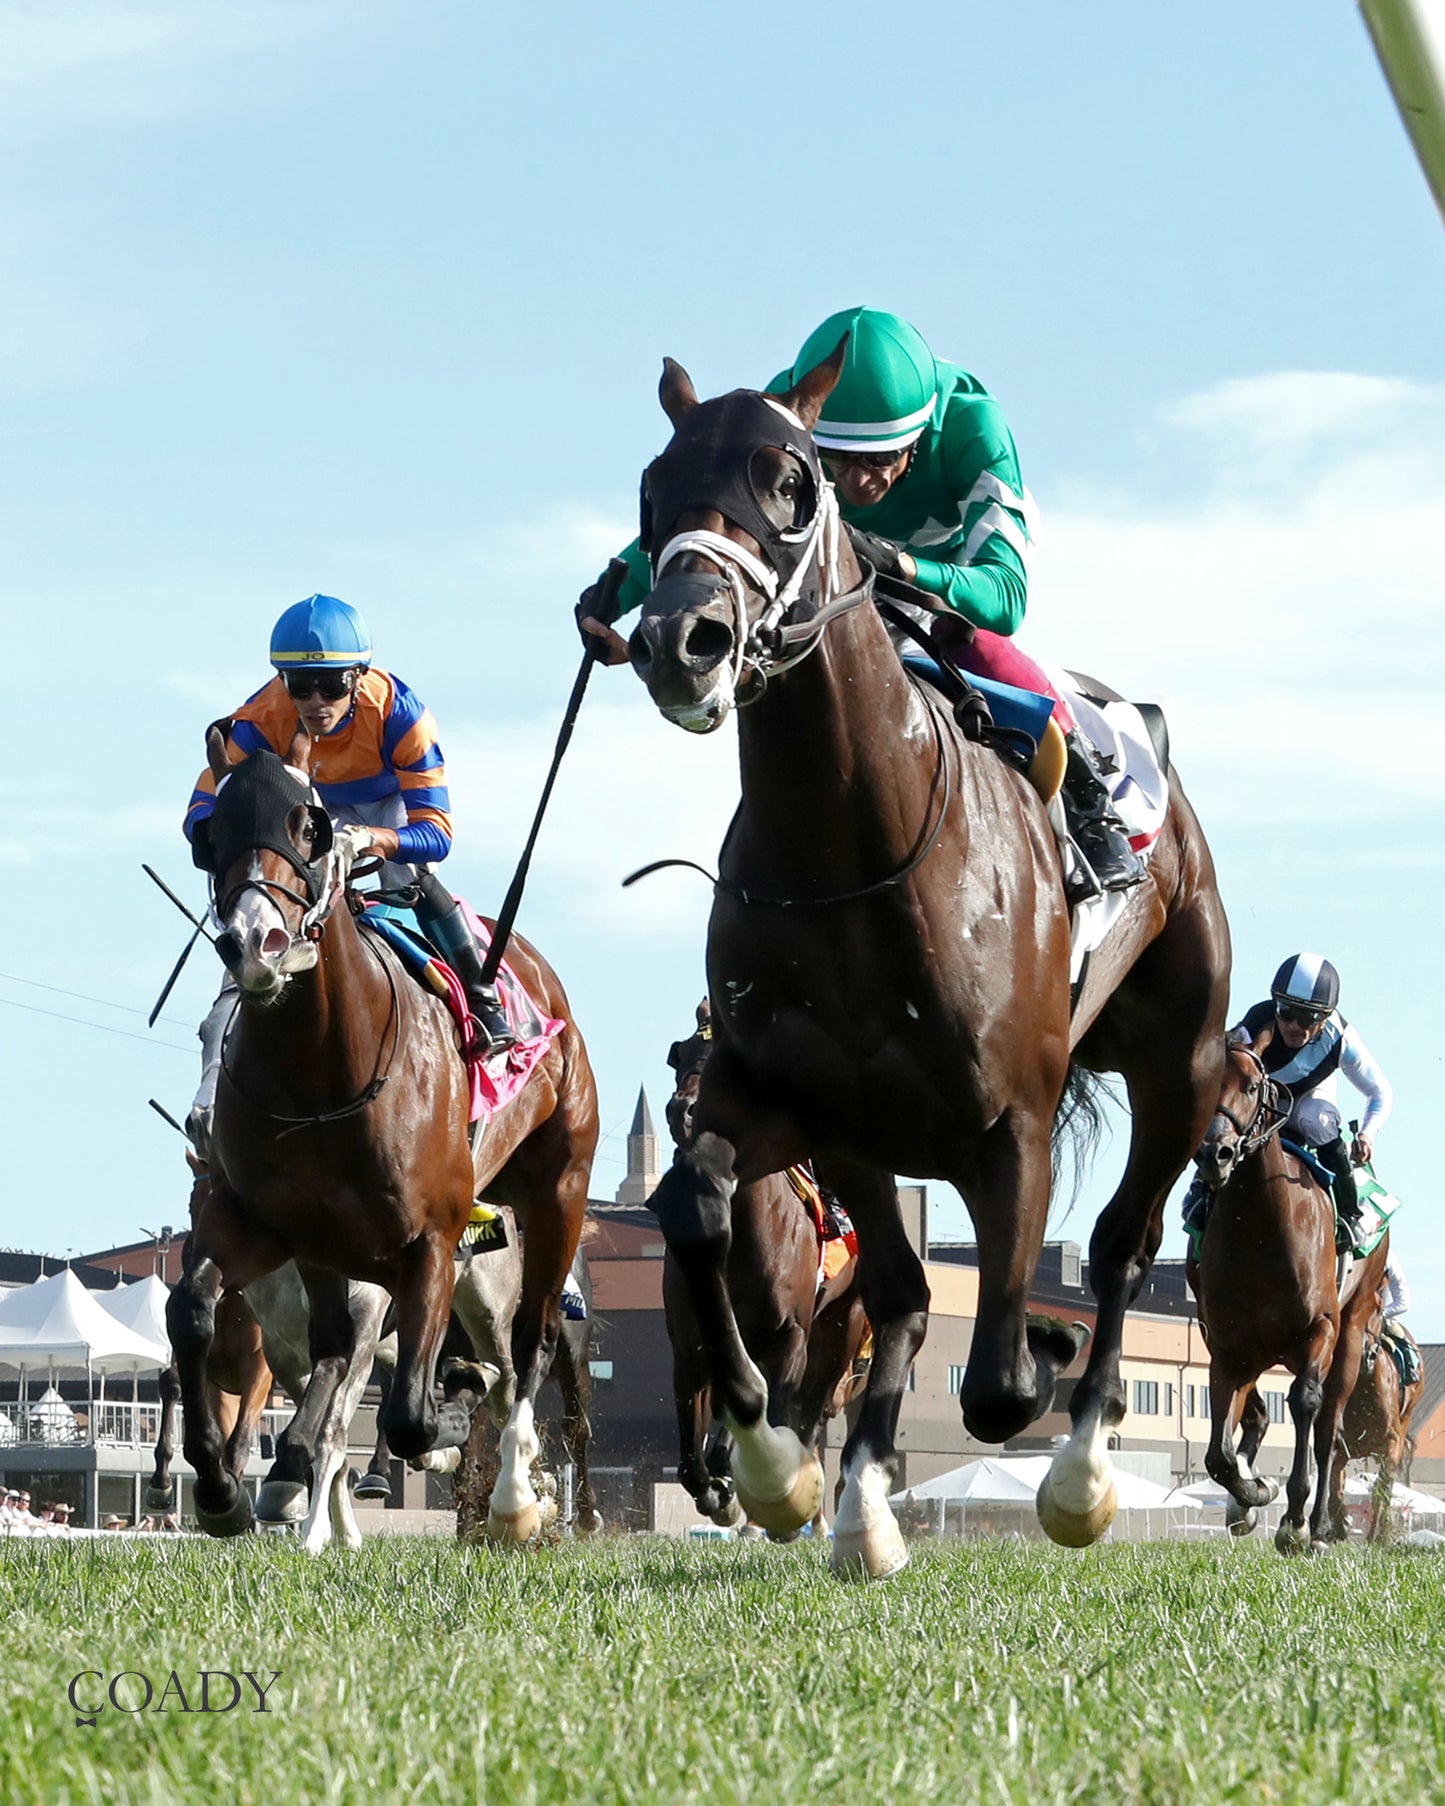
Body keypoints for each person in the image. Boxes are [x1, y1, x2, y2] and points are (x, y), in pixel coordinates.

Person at [578, 306, 1145, 895]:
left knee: (993, 655)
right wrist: (617, 588)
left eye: (881, 459)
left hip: (939, 603)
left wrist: (899, 564)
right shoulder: (785, 410)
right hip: (827, 601)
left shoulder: (976, 428)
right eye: (837, 460)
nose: (857, 483)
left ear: (922, 436)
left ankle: (1088, 799)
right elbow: (722, 528)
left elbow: (1005, 597)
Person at [183, 595, 516, 1154]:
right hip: (308, 803)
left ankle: (483, 998)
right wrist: (220, 834)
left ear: (358, 677)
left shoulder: (403, 715)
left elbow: (438, 833)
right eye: (299, 685)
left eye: (332, 685)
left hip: (388, 807)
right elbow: (201, 801)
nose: (314, 702)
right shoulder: (263, 716)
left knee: (407, 871)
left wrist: (373, 840)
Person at [1184, 954, 1391, 1246]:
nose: (1294, 1026)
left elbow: (1379, 1091)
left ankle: (1349, 1213)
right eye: (1286, 1011)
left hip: (1311, 1096)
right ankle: (1201, 1189)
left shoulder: (1341, 1037)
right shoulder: (1256, 1022)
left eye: (1307, 1018)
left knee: (1315, 1120)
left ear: (1325, 1018)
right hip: (1267, 1098)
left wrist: (1368, 1134)